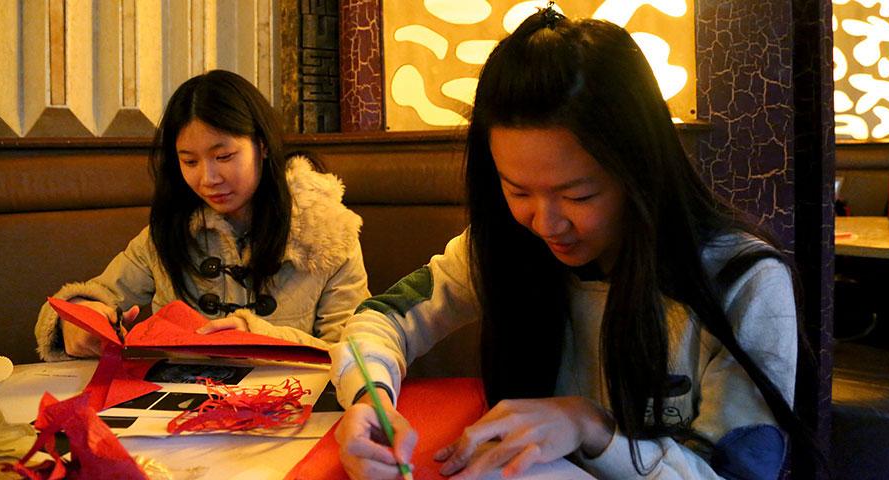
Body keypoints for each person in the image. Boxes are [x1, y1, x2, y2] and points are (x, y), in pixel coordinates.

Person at [329, 10, 822, 480]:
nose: (545, 223)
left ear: (641, 171)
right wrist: (369, 400)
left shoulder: (742, 281)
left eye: (578, 194)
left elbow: (736, 473)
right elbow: (380, 320)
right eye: (517, 190)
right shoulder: (502, 248)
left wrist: (591, 427)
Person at [35, 70, 369, 361]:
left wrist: (256, 337)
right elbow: (97, 296)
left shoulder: (328, 234)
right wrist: (77, 321)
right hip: (183, 417)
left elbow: (357, 352)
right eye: (190, 162)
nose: (208, 179)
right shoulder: (169, 233)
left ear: (262, 146)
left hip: (292, 410)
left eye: (223, 156)